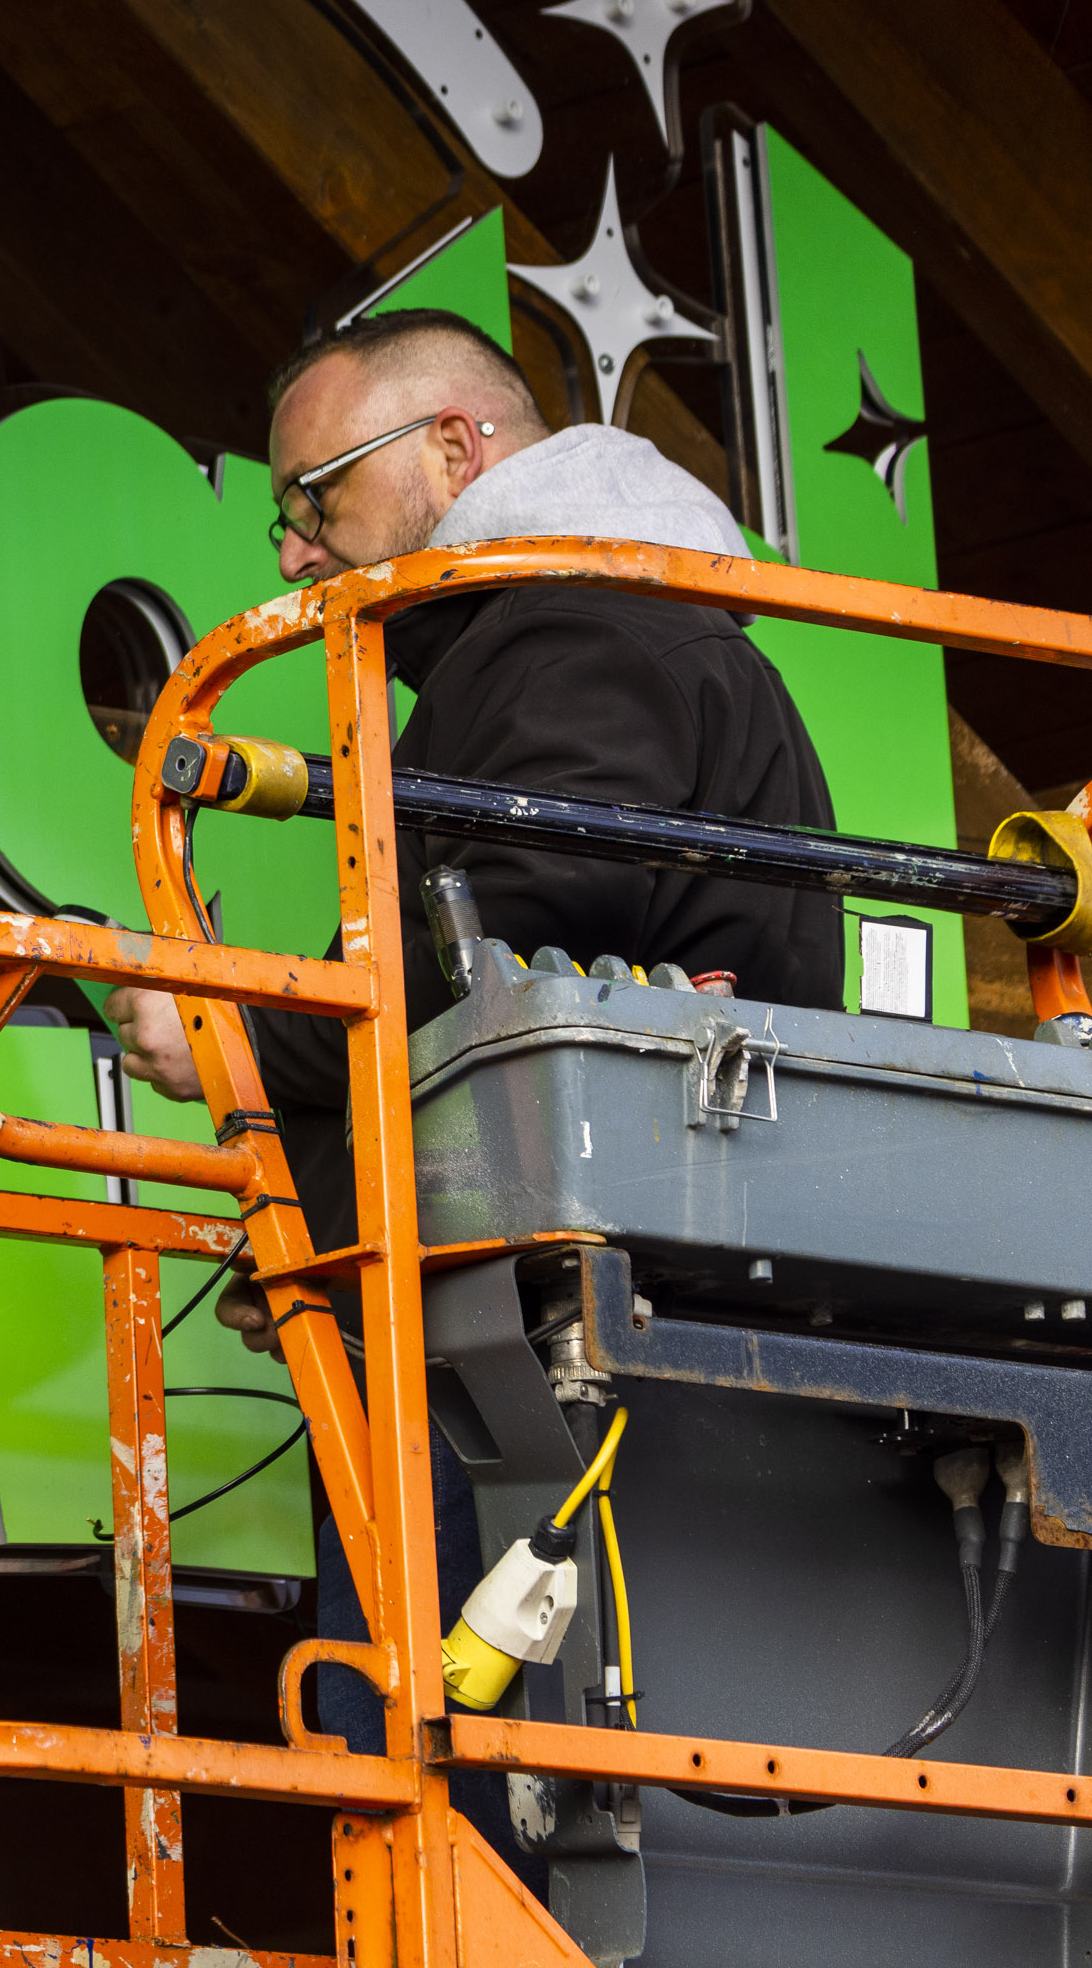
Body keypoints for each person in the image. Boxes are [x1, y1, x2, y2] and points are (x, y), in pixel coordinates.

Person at [109, 309, 839, 1876]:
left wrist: (226, 1037)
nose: (302, 549)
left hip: (533, 1360)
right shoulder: (595, 625)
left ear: (456, 447)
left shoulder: (571, 627)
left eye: (321, 494)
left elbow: (507, 958)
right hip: (572, 1317)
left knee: (459, 1817)